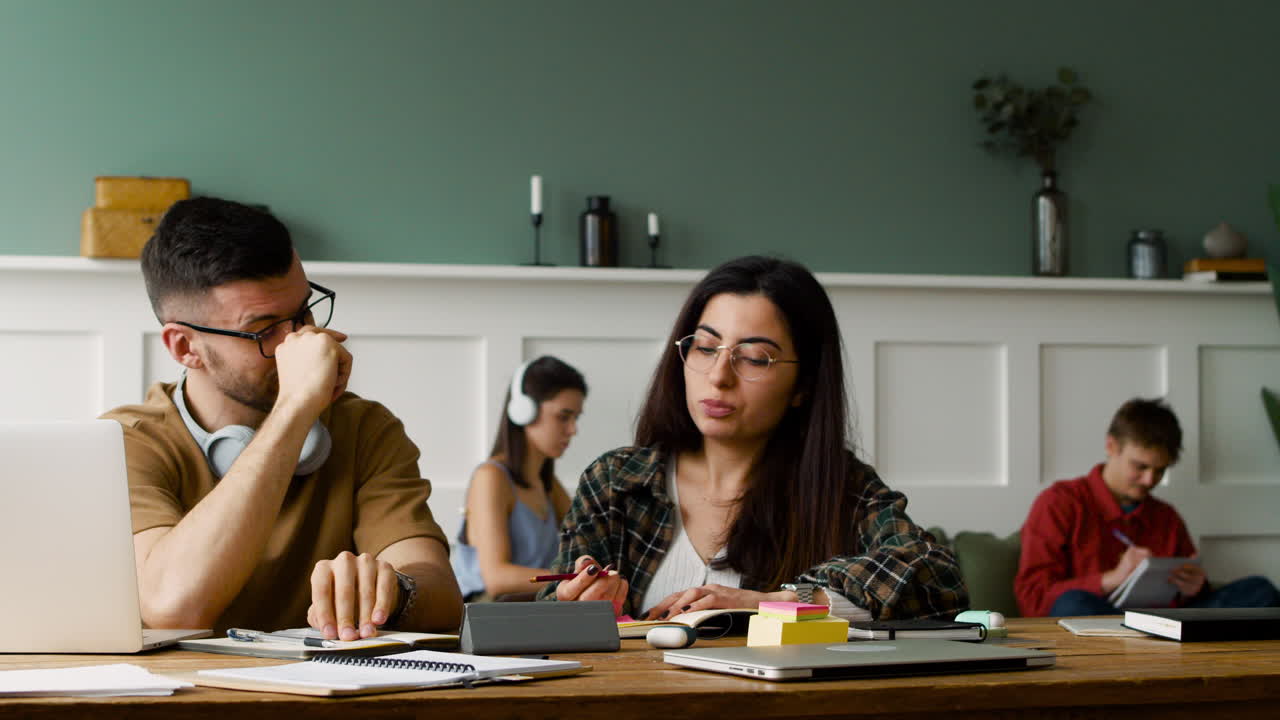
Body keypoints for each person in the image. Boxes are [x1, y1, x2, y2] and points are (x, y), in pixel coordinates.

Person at [101, 197, 463, 638]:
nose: (303, 341)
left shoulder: (366, 428)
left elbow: (443, 599)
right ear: (184, 347)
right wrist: (294, 408)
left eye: (303, 312)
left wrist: (396, 591)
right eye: (264, 329)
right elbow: (174, 607)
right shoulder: (124, 442)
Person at [536, 255, 967, 620]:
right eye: (705, 348)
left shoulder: (841, 489)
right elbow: (548, 608)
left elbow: (936, 576)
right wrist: (569, 600)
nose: (718, 377)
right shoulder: (616, 481)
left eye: (755, 358)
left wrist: (778, 601)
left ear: (803, 386)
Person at [1016, 397, 1280, 617]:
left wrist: (1196, 587)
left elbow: (1193, 598)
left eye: (1160, 471)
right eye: (1140, 467)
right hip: (1100, 621)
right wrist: (1112, 579)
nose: (1150, 480)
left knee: (1260, 590)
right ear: (1111, 446)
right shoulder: (1059, 502)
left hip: (1165, 624)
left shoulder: (1166, 516)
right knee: (1072, 604)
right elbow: (1032, 598)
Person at [451, 356, 586, 601]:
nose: (573, 430)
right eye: (563, 416)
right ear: (524, 411)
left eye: (576, 418)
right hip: (485, 614)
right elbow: (497, 579)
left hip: (531, 610)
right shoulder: (490, 478)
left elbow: (587, 538)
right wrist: (572, 580)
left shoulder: (549, 486)